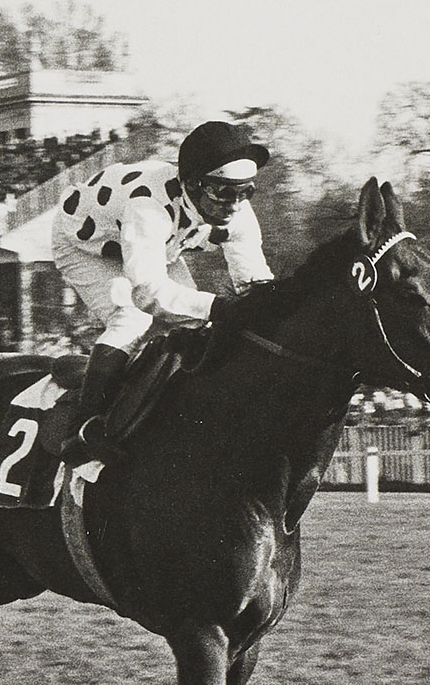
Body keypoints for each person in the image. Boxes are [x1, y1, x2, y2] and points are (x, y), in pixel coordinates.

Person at [48, 119, 277, 464]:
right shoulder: (148, 206)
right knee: (132, 318)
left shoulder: (236, 210)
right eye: (224, 192)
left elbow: (253, 282)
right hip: (85, 246)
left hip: (159, 246)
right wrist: (221, 308)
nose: (235, 203)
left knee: (193, 326)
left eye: (246, 191)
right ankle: (83, 429)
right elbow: (148, 293)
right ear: (192, 185)